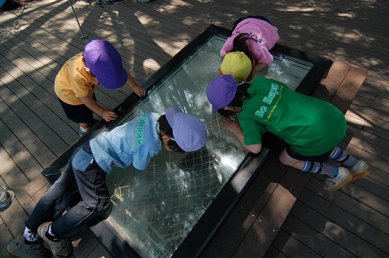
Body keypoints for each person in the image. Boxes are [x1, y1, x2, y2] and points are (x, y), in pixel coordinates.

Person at [7, 106, 207, 258]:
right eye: (174, 147)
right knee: (99, 204)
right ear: (168, 138)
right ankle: (52, 233)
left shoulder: (152, 117)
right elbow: (139, 165)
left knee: (58, 191)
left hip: (87, 150)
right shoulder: (151, 145)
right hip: (93, 164)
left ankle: (29, 234)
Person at [206, 52, 370, 192]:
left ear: (229, 107)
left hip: (316, 137)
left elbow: (255, 148)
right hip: (333, 117)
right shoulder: (260, 82)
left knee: (286, 159)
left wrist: (235, 129)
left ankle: (335, 174)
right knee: (320, 138)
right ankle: (355, 164)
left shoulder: (246, 116)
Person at [54, 39, 146, 136]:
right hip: (70, 97)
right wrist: (102, 112)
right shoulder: (78, 75)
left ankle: (90, 119)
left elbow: (119, 71)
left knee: (90, 107)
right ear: (89, 70)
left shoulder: (98, 60)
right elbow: (84, 98)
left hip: (86, 90)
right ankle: (84, 131)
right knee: (83, 118)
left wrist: (134, 85)